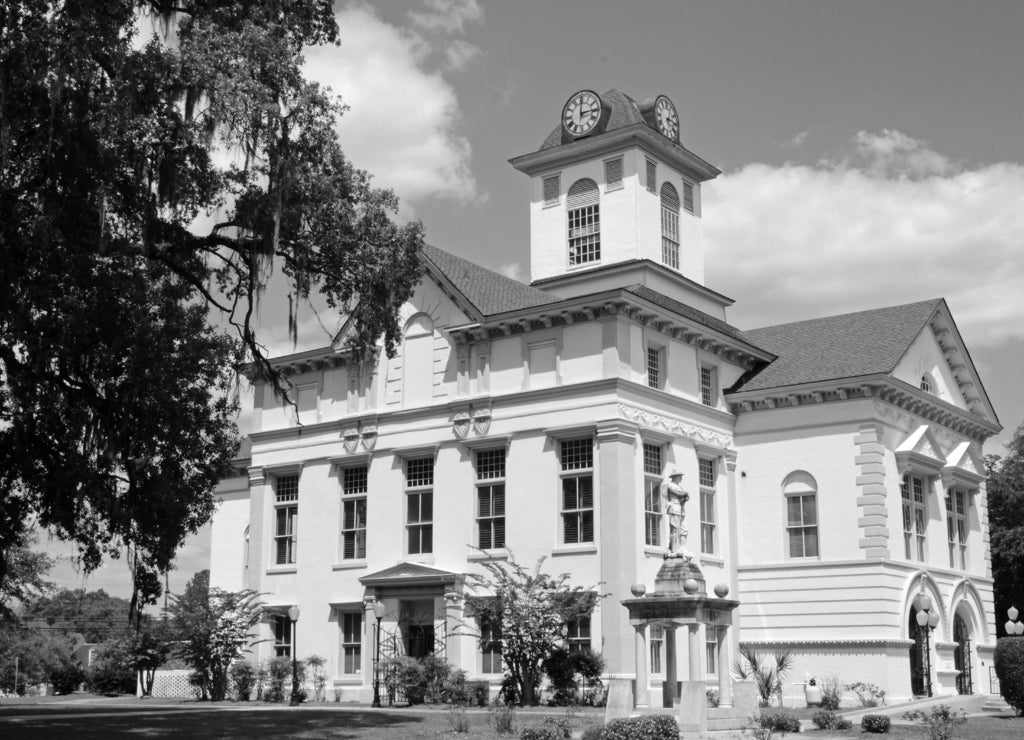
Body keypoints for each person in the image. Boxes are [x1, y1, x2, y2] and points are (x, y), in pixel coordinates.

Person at [663, 469, 691, 558]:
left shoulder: (679, 486)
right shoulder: (671, 485)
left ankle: (682, 547)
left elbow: (683, 496)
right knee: (674, 529)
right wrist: (685, 494)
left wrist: (685, 497)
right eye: (680, 476)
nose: (681, 478)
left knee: (684, 529)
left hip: (681, 509)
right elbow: (680, 493)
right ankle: (674, 548)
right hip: (674, 508)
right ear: (675, 477)